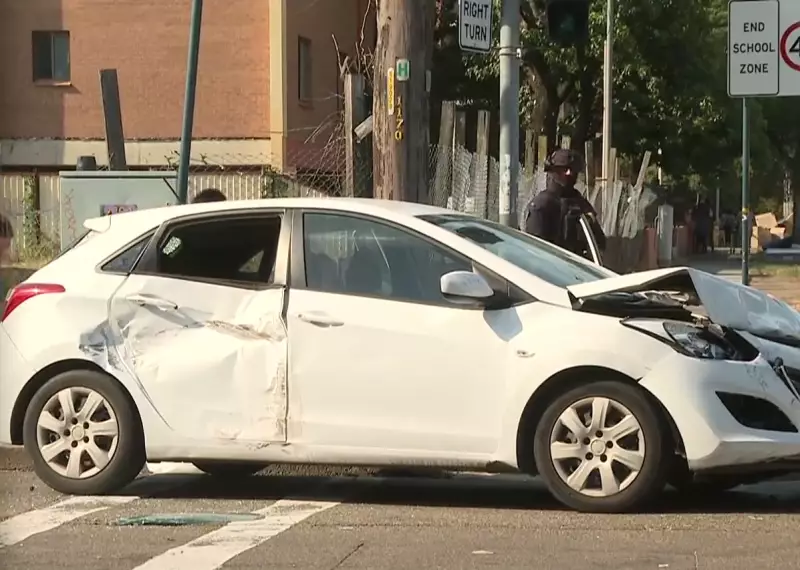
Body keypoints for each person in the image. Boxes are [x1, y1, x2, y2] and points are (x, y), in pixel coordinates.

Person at [524, 149, 606, 258]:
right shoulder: (541, 205)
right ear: (553, 171)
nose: (569, 173)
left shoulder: (581, 203)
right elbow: (535, 252)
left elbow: (600, 243)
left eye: (572, 170)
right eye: (563, 169)